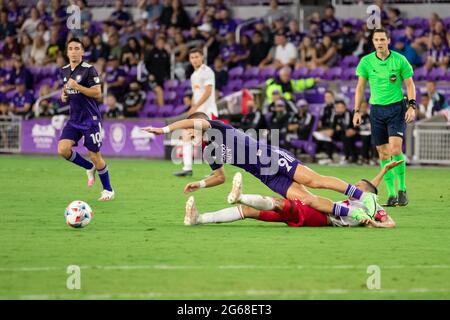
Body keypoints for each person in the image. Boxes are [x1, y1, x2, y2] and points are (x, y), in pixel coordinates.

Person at [142, 112, 380, 220]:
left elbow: (189, 120)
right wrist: (201, 183)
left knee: (313, 180)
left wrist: (164, 130)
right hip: (264, 175)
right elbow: (220, 177)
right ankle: (354, 213)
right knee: (305, 199)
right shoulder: (207, 151)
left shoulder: (216, 127)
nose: (188, 132)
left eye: (190, 128)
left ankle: (363, 197)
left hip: (270, 156)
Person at [184, 161, 401, 228]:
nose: (354, 188)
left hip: (325, 218)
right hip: (323, 210)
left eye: (358, 187)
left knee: (284, 204)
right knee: (249, 212)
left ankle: (240, 196)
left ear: (367, 193)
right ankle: (199, 218)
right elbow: (371, 187)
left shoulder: (371, 207)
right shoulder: (365, 199)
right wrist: (383, 171)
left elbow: (390, 222)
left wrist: (377, 224)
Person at [353, 28, 416, 207]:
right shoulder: (366, 62)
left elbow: (410, 84)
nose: (379, 42)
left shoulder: (399, 59)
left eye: (382, 39)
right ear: (373, 42)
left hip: (396, 108)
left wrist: (412, 106)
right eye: (376, 40)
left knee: (395, 150)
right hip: (377, 111)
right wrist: (356, 111)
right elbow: (360, 88)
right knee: (383, 152)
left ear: (388, 40)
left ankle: (402, 188)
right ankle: (391, 194)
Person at [57, 38, 114, 201]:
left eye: (77, 48)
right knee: (62, 149)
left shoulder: (90, 70)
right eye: (70, 48)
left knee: (95, 155)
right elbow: (66, 89)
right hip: (74, 119)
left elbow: (97, 93)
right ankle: (88, 167)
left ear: (82, 52)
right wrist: (64, 94)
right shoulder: (64, 70)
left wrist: (78, 87)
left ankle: (108, 190)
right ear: (67, 52)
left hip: (91, 119)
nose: (74, 51)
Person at [173, 48, 218, 177]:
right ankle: (187, 168)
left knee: (208, 139)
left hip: (207, 110)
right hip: (198, 110)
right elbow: (196, 94)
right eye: (192, 57)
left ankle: (215, 170)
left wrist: (196, 106)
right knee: (187, 134)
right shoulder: (194, 75)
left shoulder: (207, 71)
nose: (194, 59)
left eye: (197, 57)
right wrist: (192, 107)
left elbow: (208, 92)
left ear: (202, 57)